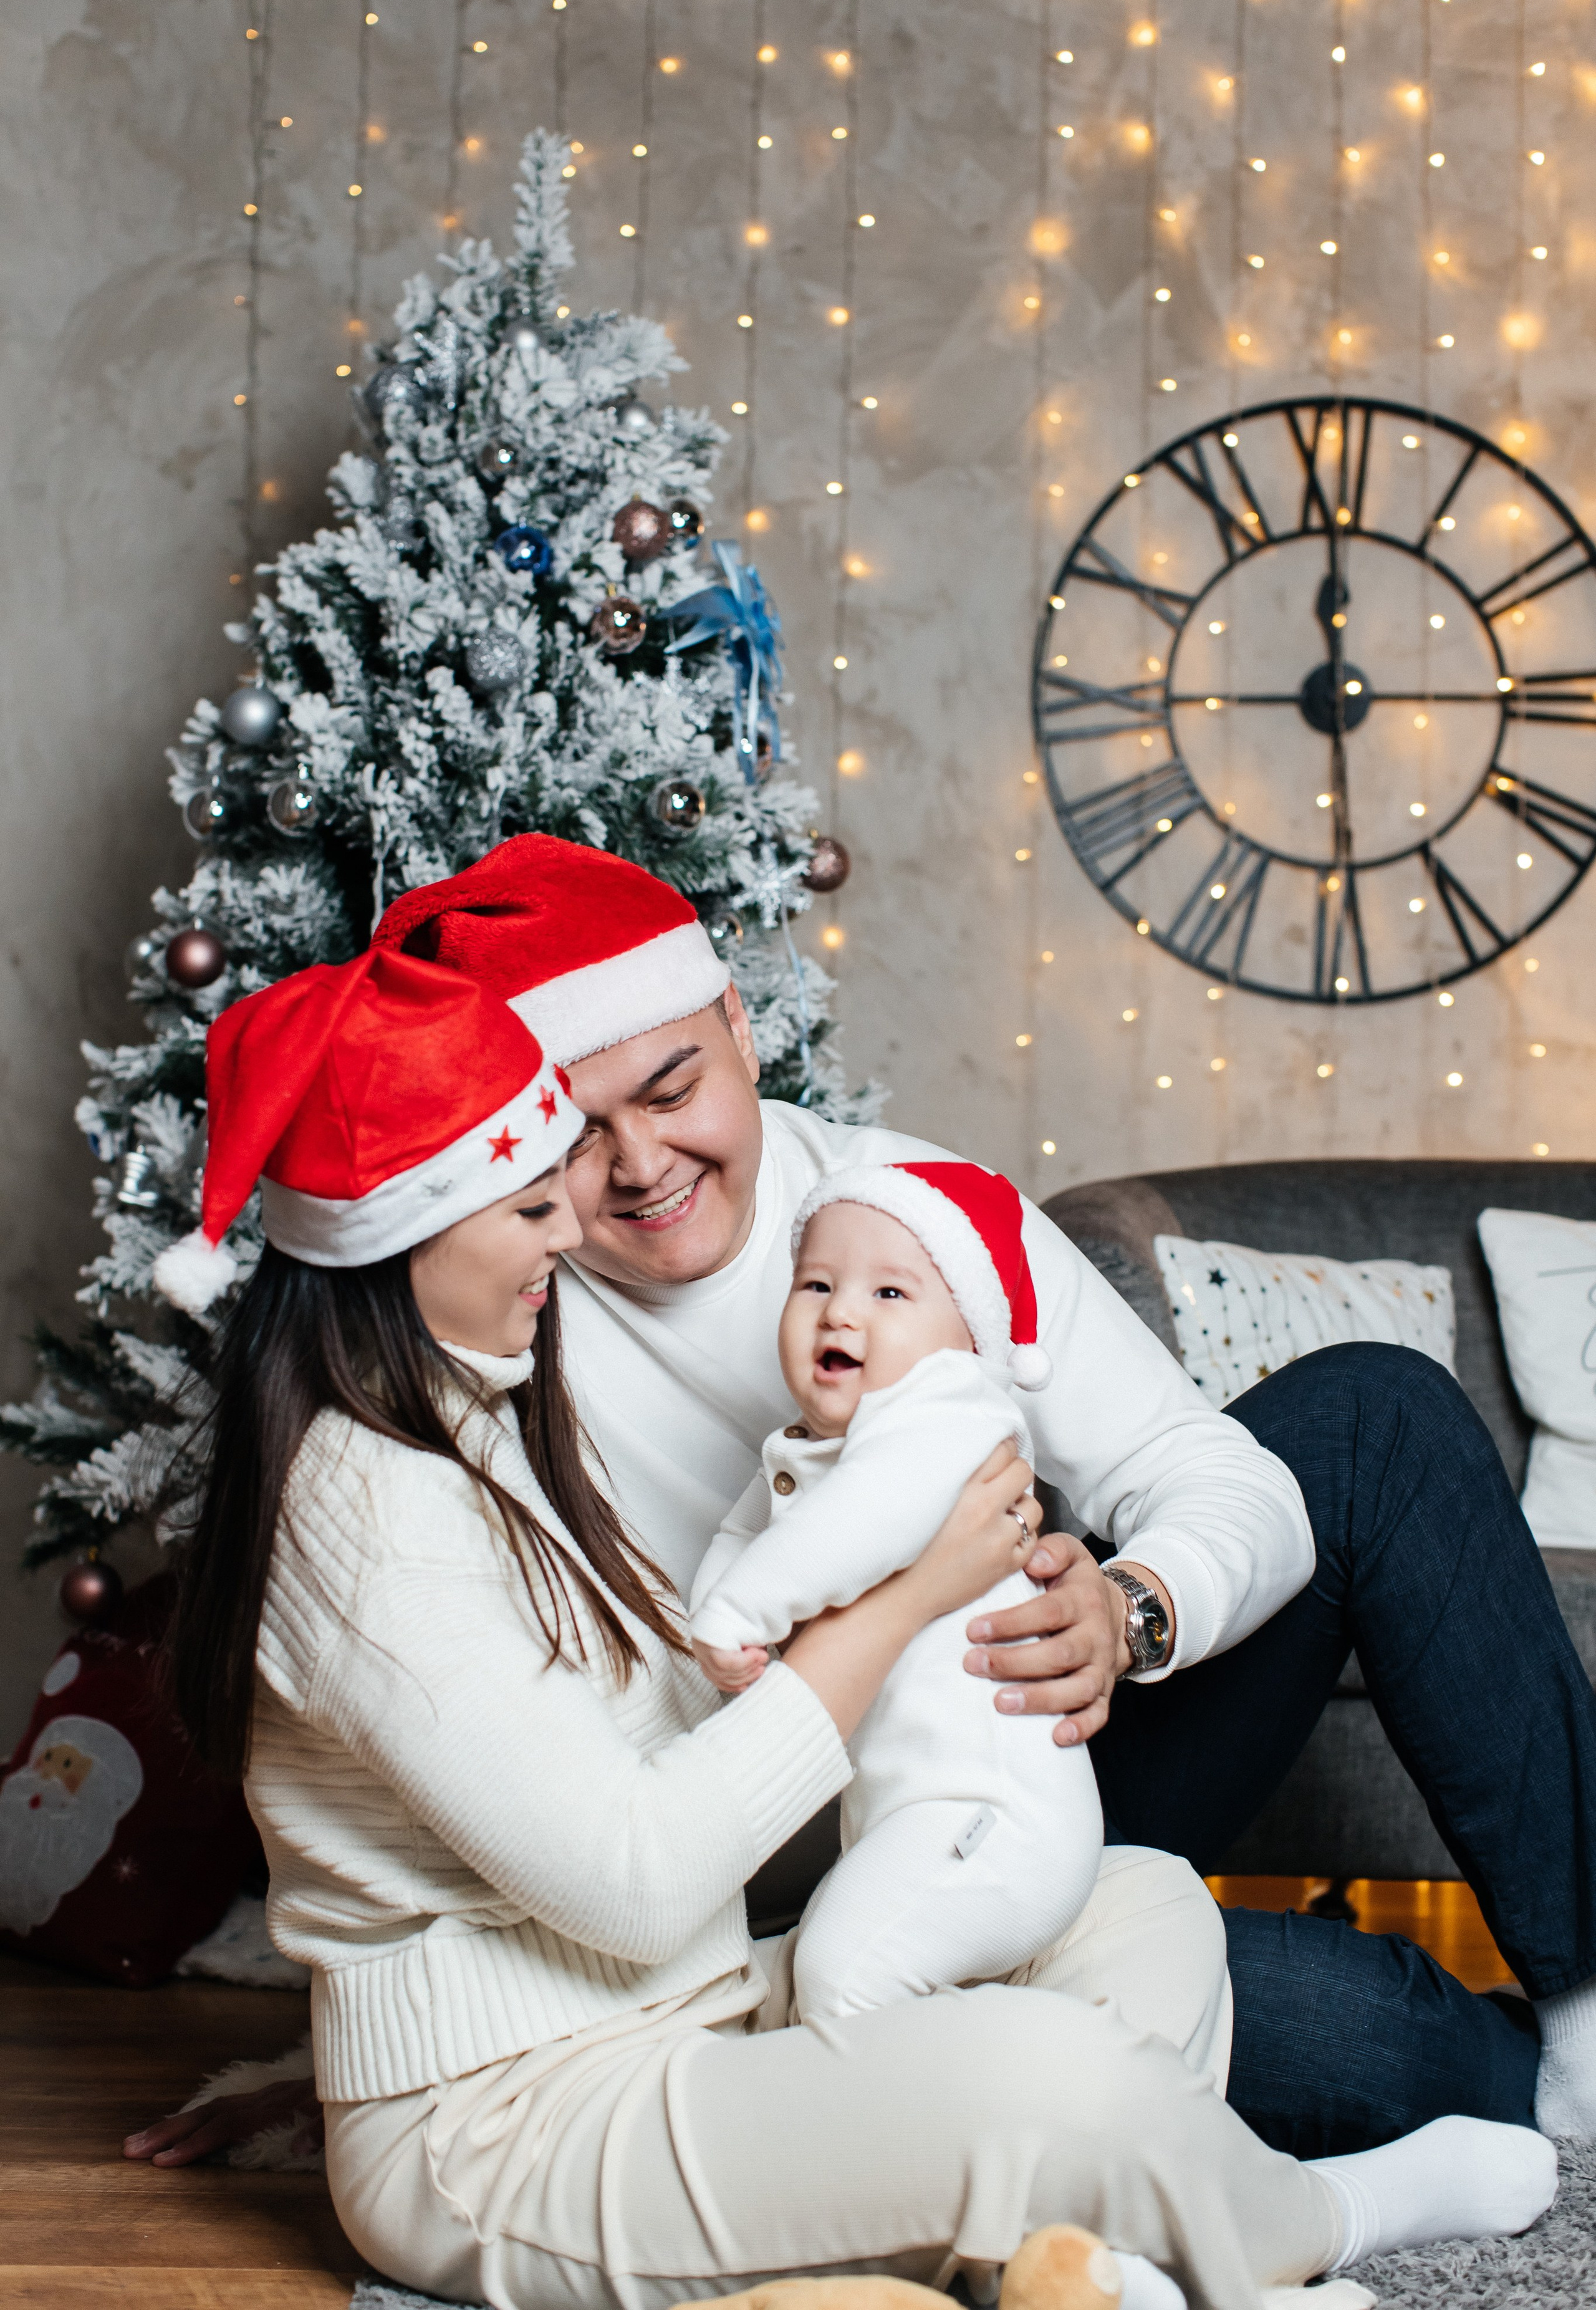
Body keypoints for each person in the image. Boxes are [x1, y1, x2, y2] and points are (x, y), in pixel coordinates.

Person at [126, 830, 1592, 2163]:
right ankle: (1508, 2073)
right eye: (576, 1135)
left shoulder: (908, 1216)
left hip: (1034, 1761)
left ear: (739, 1031)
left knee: (1374, 1416)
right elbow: (475, 1747)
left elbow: (1205, 1477)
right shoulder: (496, 1319)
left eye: (673, 1088)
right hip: (810, 1911)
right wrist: (390, 2076)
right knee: (1383, 2050)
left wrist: (1133, 1613)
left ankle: (1588, 2000)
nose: (639, 1168)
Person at [689, 1160, 1104, 2020]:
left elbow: (864, 1524)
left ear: (968, 1339)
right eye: (817, 1284)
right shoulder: (811, 1447)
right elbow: (743, 1537)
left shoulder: (950, 1411)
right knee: (814, 1972)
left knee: (845, 1974)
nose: (841, 1311)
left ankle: (930, 2134)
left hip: (994, 1819)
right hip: (908, 1819)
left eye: (889, 1294)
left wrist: (740, 1613)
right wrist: (718, 1623)